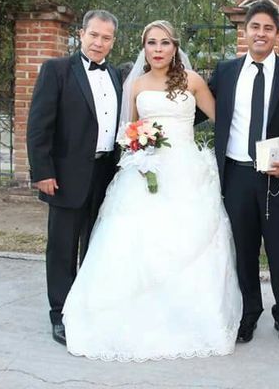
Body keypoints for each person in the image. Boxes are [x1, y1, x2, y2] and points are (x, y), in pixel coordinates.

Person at [61, 20, 242, 361]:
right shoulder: (137, 85)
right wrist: (137, 149)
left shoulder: (193, 81)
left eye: (164, 43)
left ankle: (190, 318)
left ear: (175, 47)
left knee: (186, 243)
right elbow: (129, 130)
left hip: (186, 172)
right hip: (144, 174)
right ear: (144, 48)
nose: (158, 49)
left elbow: (223, 120)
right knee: (136, 243)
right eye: (151, 43)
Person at [26, 9, 122, 346]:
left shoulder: (116, 75)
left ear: (113, 41)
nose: (99, 43)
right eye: (94, 35)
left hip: (106, 173)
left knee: (95, 245)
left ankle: (87, 305)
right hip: (65, 175)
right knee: (63, 246)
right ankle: (60, 313)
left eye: (106, 37)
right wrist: (43, 172)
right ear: (81, 34)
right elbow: (39, 124)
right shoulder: (57, 70)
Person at [209, 0, 279, 344]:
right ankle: (249, 313)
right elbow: (200, 110)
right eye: (255, 27)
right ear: (244, 31)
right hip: (237, 174)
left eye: (268, 28)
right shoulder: (226, 71)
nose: (260, 34)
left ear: (277, 34)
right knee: (244, 250)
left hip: (276, 176)